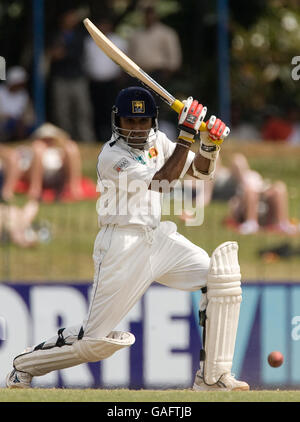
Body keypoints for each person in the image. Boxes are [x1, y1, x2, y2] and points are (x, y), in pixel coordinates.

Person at [6, 86, 249, 391]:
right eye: (129, 122)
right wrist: (187, 134)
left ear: (153, 121)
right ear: (116, 121)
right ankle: (22, 366)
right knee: (93, 343)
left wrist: (210, 144)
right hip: (121, 245)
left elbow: (200, 172)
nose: (135, 129)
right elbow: (161, 184)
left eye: (142, 121)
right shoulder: (112, 156)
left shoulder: (159, 141)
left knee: (220, 277)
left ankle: (213, 377)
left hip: (157, 238)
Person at [47, 9, 95, 142]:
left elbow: (76, 54)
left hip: (78, 78)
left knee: (82, 111)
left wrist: (62, 53)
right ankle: (66, 141)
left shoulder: (80, 35)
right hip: (60, 78)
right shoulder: (55, 34)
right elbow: (52, 54)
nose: (71, 19)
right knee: (62, 112)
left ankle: (86, 140)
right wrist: (59, 54)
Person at [83, 16, 128, 141]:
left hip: (112, 82)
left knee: (112, 109)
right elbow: (87, 61)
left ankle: (114, 136)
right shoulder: (90, 41)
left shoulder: (118, 41)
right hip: (95, 82)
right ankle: (98, 137)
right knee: (97, 110)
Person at [15, 123, 84, 201]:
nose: (47, 142)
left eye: (50, 139)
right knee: (38, 149)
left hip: (58, 175)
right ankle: (35, 190)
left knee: (71, 147)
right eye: (45, 139)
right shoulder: (32, 150)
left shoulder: (60, 151)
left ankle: (73, 189)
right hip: (36, 174)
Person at [0, 66, 35, 142]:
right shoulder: (1, 92)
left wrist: (24, 120)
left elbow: (29, 114)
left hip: (19, 123)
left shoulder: (24, 95)